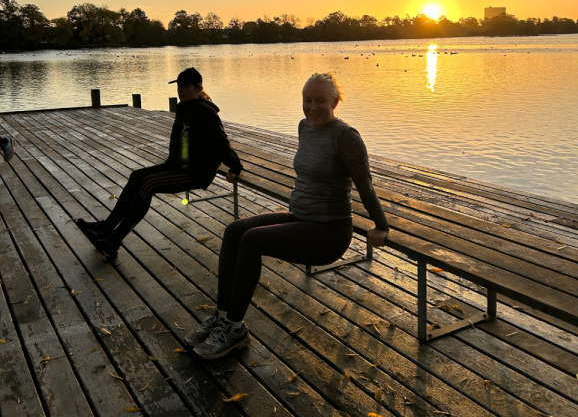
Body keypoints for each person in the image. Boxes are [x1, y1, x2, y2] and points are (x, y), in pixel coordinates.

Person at [187, 72, 389, 359]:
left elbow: (365, 186)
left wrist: (381, 225)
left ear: (334, 100)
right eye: (308, 100)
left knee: (252, 241)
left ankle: (234, 329)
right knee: (235, 230)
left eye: (320, 100)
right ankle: (222, 316)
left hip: (329, 233)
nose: (313, 107)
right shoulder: (304, 127)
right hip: (301, 218)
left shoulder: (346, 137)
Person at [76, 67, 243, 260]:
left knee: (148, 184)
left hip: (197, 171)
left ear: (198, 88)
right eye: (178, 86)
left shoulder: (205, 111)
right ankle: (106, 227)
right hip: (178, 165)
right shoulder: (185, 107)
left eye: (185, 86)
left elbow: (221, 142)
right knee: (137, 176)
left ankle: (114, 240)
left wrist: (235, 166)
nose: (180, 90)